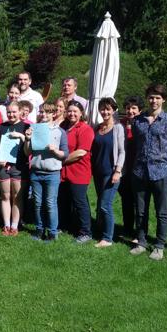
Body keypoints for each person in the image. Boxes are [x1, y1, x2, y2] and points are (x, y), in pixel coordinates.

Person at [129, 84, 167, 261]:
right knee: (141, 210)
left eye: (157, 97)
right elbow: (136, 144)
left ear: (163, 99)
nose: (154, 100)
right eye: (151, 97)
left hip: (162, 173)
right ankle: (142, 242)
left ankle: (159, 245)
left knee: (162, 211)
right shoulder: (138, 121)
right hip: (140, 172)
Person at [25, 103, 69, 241]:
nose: (44, 115)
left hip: (52, 173)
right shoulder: (33, 129)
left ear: (53, 114)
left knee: (50, 203)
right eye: (42, 112)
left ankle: (52, 232)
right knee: (37, 203)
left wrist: (55, 150)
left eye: (47, 113)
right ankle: (39, 229)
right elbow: (28, 152)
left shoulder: (60, 131)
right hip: (36, 171)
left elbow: (65, 154)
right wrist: (27, 139)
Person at [90, 98, 125, 247]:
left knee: (105, 205)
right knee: (100, 203)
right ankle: (100, 230)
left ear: (113, 110)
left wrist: (118, 170)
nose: (105, 112)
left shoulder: (118, 128)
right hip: (98, 171)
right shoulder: (97, 128)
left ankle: (107, 238)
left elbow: (122, 151)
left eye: (108, 109)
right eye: (102, 109)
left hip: (110, 172)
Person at [0, 101, 29, 236]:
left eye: (14, 112)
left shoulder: (26, 126)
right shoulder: (1, 127)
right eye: (9, 112)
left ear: (20, 112)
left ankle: (15, 225)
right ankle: (6, 225)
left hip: (19, 166)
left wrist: (22, 136)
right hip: (3, 167)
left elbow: (29, 148)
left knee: (17, 197)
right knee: (5, 196)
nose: (11, 114)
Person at [60, 100, 95, 243]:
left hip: (79, 171)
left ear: (81, 113)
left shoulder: (85, 129)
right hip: (64, 172)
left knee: (80, 202)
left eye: (75, 111)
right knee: (64, 200)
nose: (72, 114)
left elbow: (81, 152)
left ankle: (86, 232)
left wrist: (61, 161)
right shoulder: (63, 126)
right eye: (70, 111)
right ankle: (67, 226)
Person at [119, 95, 144, 240]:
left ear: (140, 110)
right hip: (124, 169)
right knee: (126, 200)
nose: (131, 111)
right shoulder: (121, 124)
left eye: (134, 108)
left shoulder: (143, 124)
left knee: (138, 203)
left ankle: (139, 232)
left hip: (138, 169)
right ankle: (127, 228)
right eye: (128, 108)